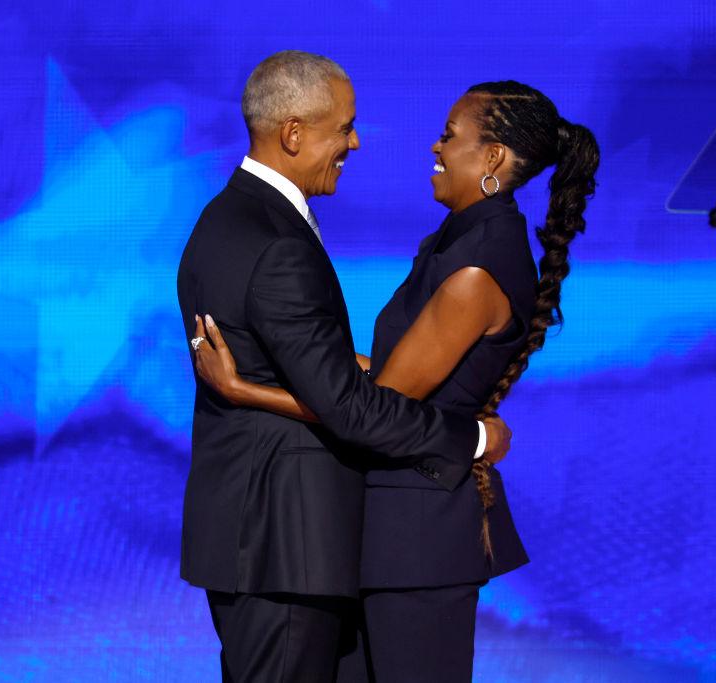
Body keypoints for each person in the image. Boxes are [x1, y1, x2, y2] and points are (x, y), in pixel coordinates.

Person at [193, 80, 600, 682]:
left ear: (492, 158)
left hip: (420, 538)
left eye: (449, 136)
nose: (436, 147)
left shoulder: (477, 266)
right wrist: (311, 363)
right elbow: (382, 377)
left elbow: (372, 407)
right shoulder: (455, 243)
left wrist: (242, 390)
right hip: (387, 530)